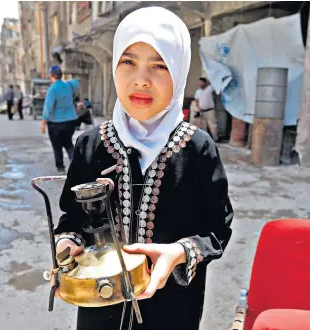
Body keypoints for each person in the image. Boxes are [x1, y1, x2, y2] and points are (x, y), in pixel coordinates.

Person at [52, 7, 233, 330]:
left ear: (178, 72)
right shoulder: (91, 144)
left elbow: (216, 229)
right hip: (100, 304)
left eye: (159, 66)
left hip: (173, 307)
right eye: (128, 62)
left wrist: (178, 252)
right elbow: (72, 219)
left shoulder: (198, 148)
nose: (141, 80)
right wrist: (66, 244)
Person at [42, 66, 78, 174]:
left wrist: (44, 122)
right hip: (71, 121)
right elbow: (76, 82)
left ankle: (61, 168)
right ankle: (76, 164)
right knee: (68, 143)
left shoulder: (52, 89)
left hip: (55, 123)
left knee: (57, 146)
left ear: (51, 75)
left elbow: (48, 108)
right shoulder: (69, 85)